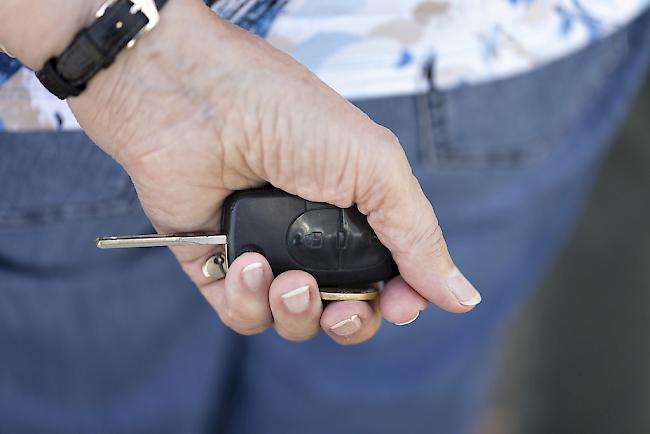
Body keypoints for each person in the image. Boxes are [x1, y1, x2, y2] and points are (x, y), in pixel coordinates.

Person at [0, 1, 648, 433]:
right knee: (385, 401)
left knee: (90, 407)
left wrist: (106, 46)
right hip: (502, 47)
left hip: (75, 99)